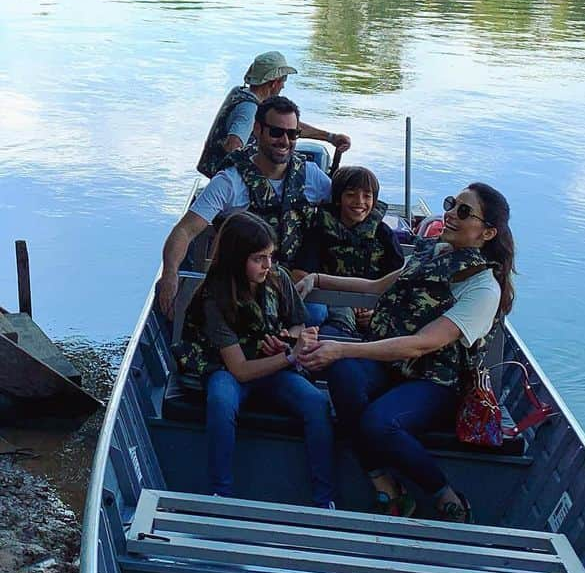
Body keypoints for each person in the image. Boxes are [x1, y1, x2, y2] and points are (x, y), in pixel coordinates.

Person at [298, 183, 515, 523]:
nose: (449, 214)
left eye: (462, 211)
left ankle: (445, 495)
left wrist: (341, 348)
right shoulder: (434, 253)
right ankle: (381, 479)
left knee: (378, 423)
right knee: (344, 372)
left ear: (487, 232)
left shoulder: (483, 287)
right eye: (450, 204)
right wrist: (316, 278)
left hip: (436, 383)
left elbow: (423, 343)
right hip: (394, 367)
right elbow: (376, 286)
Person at [172, 210, 335, 507]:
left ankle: (324, 499)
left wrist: (287, 337)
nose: (268, 265)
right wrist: (290, 355)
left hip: (273, 366)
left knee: (316, 404)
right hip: (228, 368)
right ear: (237, 258)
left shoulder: (278, 279)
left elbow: (298, 322)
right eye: (259, 258)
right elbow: (240, 369)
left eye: (270, 256)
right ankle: (221, 493)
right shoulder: (214, 297)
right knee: (221, 401)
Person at [158, 95, 331, 319]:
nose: (285, 141)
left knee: (316, 314)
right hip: (239, 284)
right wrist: (170, 274)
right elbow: (185, 230)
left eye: (292, 134)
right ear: (257, 130)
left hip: (294, 280)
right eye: (277, 132)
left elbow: (347, 216)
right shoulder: (230, 181)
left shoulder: (311, 175)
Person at [197, 50, 351, 179]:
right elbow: (233, 146)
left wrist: (330, 137)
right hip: (227, 177)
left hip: (216, 170)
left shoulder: (242, 92)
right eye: (283, 80)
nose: (283, 86)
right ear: (274, 83)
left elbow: (286, 126)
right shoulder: (249, 109)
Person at [290, 165, 405, 335]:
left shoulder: (383, 233)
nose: (359, 202)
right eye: (351, 195)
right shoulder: (319, 229)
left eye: (367, 196)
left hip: (370, 306)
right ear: (338, 198)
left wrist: (376, 311)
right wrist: (347, 300)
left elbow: (398, 281)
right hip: (327, 302)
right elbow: (300, 274)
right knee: (316, 315)